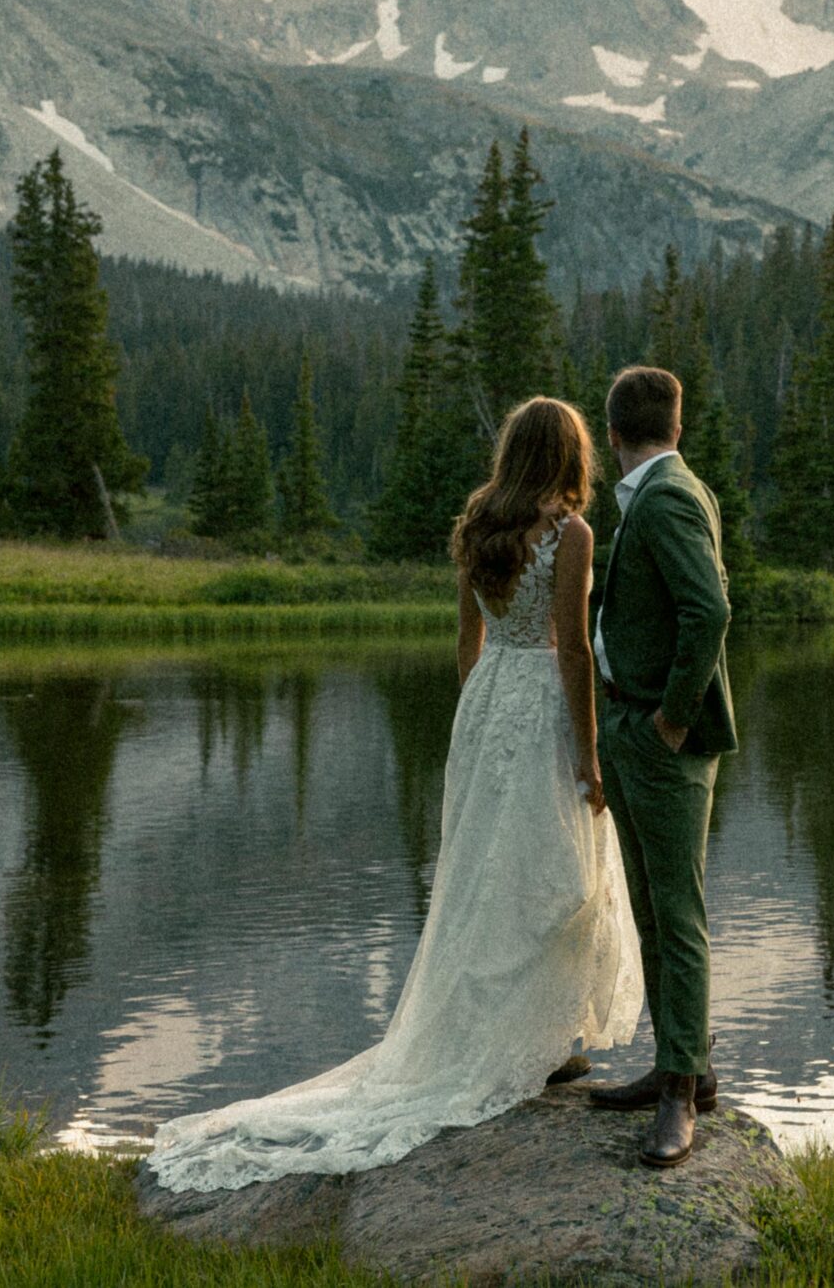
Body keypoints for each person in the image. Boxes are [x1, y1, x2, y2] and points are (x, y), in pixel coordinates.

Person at [143, 396, 641, 1193]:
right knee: (552, 871)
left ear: (513, 453)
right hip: (543, 702)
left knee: (487, 874)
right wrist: (588, 755)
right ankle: (541, 1041)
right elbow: (576, 647)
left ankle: (524, 1034)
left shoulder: (482, 522)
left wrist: (476, 716)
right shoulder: (570, 533)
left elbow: (465, 638)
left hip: (486, 707)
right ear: (571, 456)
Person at [583, 365, 737, 1169]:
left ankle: (682, 1094)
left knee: (676, 914)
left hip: (659, 738)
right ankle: (685, 1063)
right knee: (651, 905)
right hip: (633, 726)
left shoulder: (668, 495)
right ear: (675, 426)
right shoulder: (671, 486)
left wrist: (672, 718)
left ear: (613, 434)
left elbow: (709, 607)